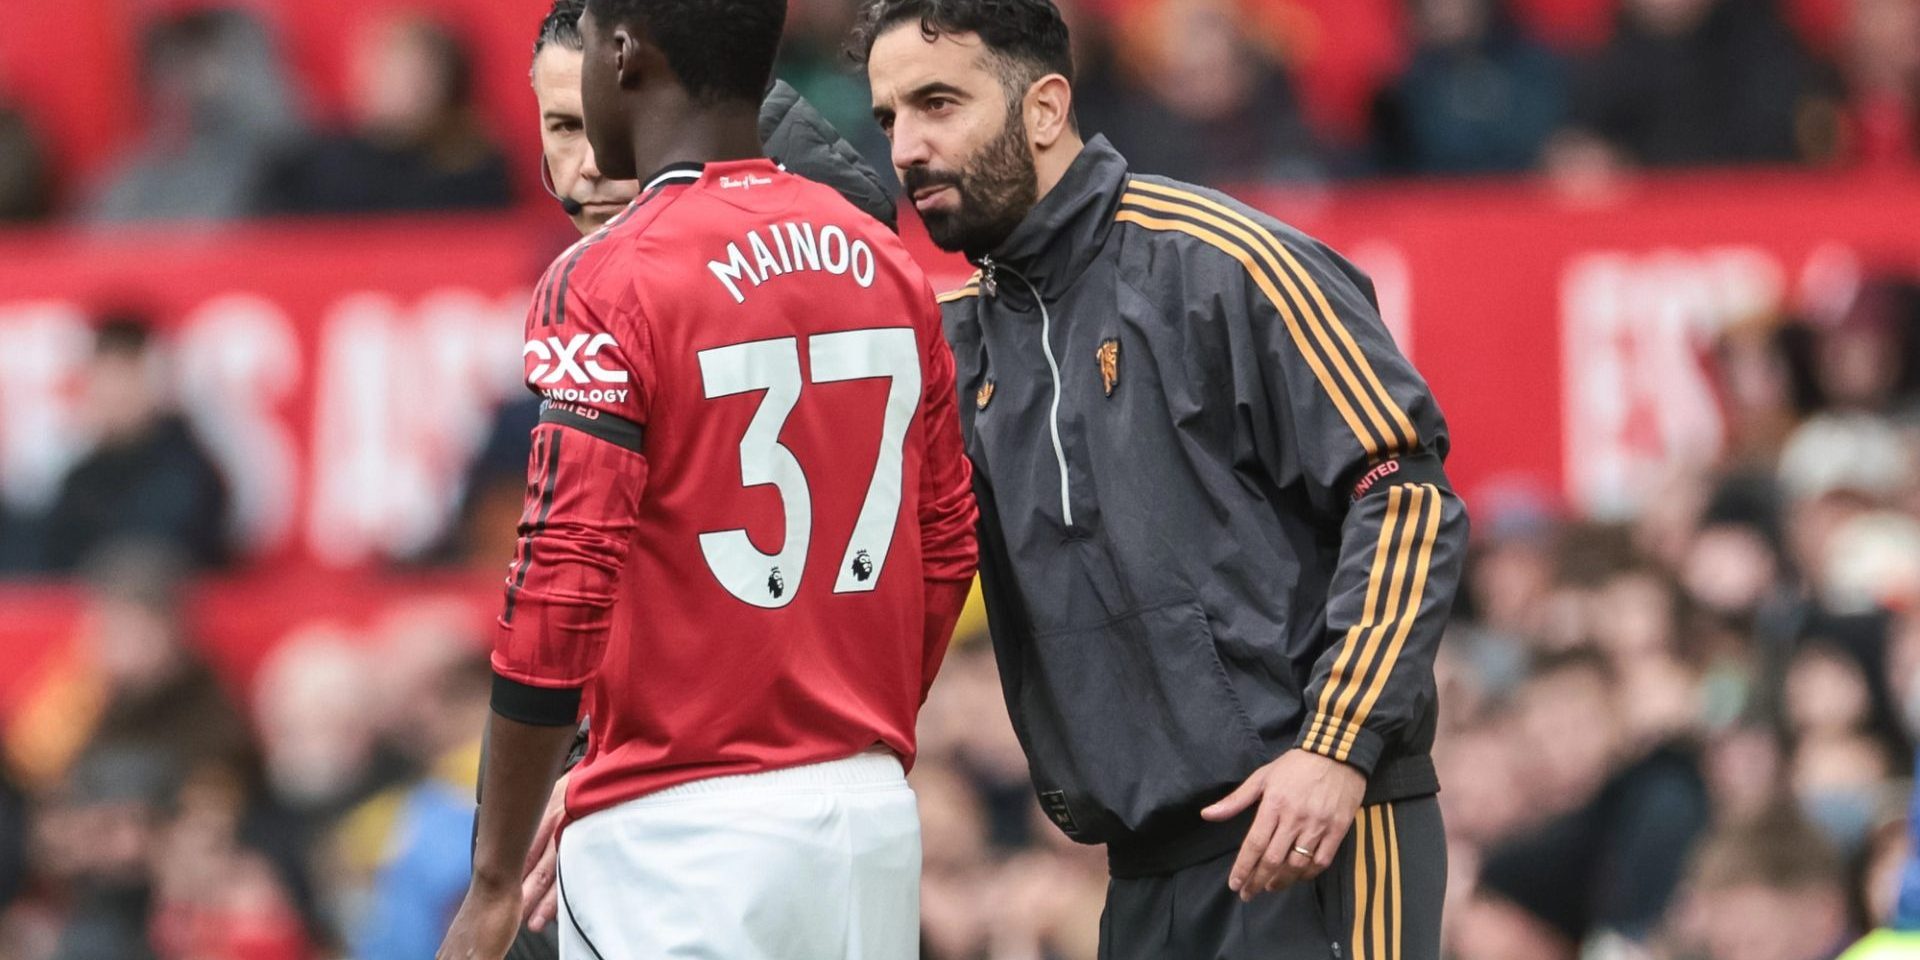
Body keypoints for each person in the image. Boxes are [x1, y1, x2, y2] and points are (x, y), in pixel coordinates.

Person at [855, 1, 1469, 957]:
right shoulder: (951, 342)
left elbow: (1404, 492)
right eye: (888, 117)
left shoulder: (1224, 263)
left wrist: (1336, 748)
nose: (908, 147)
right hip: (1140, 873)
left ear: (1045, 107)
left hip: (1316, 828)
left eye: (939, 103)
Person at [435, 0, 978, 956]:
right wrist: (846, 718)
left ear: (621, 52)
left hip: (680, 832)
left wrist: (490, 880)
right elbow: (943, 546)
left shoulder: (606, 274)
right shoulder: (889, 264)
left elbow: (560, 575)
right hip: (866, 813)